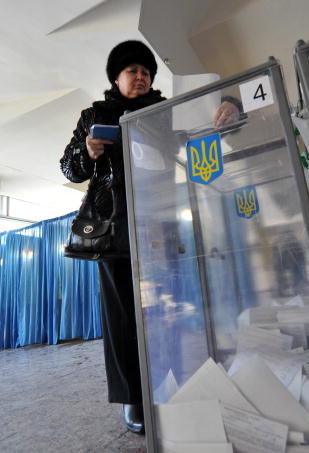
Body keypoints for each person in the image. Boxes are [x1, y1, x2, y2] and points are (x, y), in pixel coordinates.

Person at [59, 40, 240, 433]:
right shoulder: (95, 114)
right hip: (115, 229)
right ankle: (133, 397)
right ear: (116, 78)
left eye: (146, 72)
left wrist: (230, 106)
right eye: (132, 71)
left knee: (167, 310)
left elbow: (208, 124)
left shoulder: (168, 111)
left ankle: (166, 380)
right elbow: (69, 169)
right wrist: (87, 151)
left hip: (160, 223)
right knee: (122, 316)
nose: (140, 77)